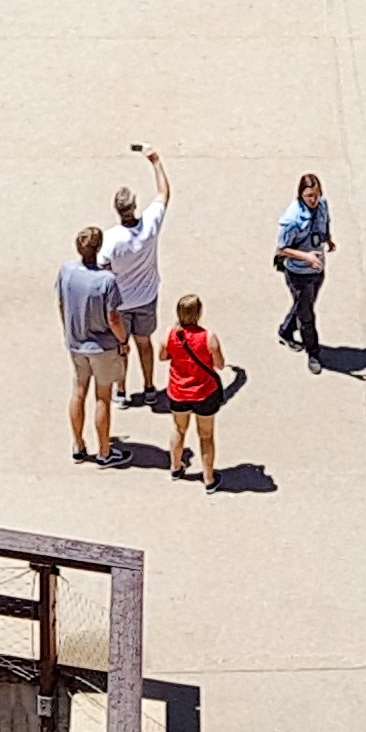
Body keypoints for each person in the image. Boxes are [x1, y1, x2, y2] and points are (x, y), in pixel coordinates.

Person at [108, 145, 172, 402]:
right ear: (134, 207)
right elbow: (164, 193)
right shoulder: (150, 225)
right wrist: (155, 160)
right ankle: (148, 388)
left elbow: (102, 269)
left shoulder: (110, 239)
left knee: (121, 348)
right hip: (146, 299)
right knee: (144, 343)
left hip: (120, 303)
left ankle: (121, 392)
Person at [60, 223, 125, 465]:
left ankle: (78, 445)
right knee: (103, 398)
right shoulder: (106, 280)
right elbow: (114, 318)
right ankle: (105, 451)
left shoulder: (67, 271)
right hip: (102, 347)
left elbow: (60, 303)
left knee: (78, 392)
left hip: (76, 343)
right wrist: (123, 340)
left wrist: (69, 331)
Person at [163, 292, 229, 485]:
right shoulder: (208, 337)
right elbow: (220, 364)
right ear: (199, 313)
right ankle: (208, 478)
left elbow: (162, 356)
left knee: (178, 429)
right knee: (206, 435)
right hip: (204, 393)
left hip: (178, 391)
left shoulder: (170, 334)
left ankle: (175, 467)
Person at [275, 172, 334, 366]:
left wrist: (328, 239)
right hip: (299, 273)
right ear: (301, 195)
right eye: (309, 196)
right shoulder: (292, 220)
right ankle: (313, 353)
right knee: (307, 316)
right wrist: (306, 257)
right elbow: (282, 248)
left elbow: (325, 222)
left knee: (304, 305)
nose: (314, 200)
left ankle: (285, 331)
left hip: (317, 269)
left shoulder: (322, 205)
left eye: (316, 194)